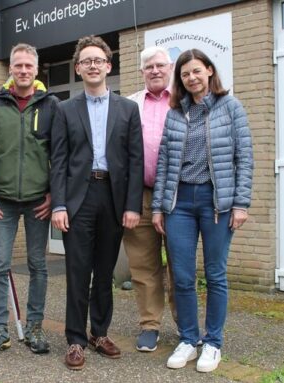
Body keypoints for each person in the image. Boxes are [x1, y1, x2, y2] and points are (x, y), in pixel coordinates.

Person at [152, 49, 253, 373]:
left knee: (215, 274)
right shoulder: (175, 113)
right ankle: (189, 339)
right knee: (181, 276)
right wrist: (158, 207)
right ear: (179, 80)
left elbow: (244, 159)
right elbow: (164, 163)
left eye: (196, 71)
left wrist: (240, 203)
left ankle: (213, 343)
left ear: (209, 71)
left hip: (216, 203)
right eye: (184, 74)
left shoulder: (231, 107)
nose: (191, 78)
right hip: (179, 203)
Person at [50, 35, 144, 370]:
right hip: (78, 198)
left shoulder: (128, 109)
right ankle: (75, 339)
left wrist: (133, 206)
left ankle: (99, 333)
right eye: (86, 61)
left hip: (113, 198)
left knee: (104, 272)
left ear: (108, 65)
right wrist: (58, 205)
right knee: (78, 271)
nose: (92, 65)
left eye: (98, 60)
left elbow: (136, 160)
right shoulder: (64, 109)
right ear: (78, 68)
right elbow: (58, 161)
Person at [0, 43, 58, 358]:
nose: (23, 71)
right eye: (18, 65)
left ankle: (35, 328)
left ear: (37, 70)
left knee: (38, 266)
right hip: (3, 201)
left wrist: (54, 193)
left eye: (28, 66)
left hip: (39, 201)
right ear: (10, 68)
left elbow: (60, 155)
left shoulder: (51, 106)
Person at [123, 46, 177, 352]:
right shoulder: (131, 104)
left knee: (179, 265)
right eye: (148, 67)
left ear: (169, 67)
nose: (154, 71)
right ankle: (150, 325)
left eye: (160, 65)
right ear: (142, 71)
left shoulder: (183, 102)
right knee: (144, 267)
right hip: (139, 195)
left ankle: (185, 325)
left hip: (176, 196)